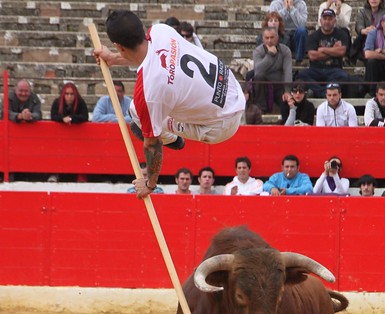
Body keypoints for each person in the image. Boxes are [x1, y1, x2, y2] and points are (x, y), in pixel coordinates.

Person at [93, 10, 245, 200]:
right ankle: (172, 135)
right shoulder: (160, 31)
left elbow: (151, 144)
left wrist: (150, 184)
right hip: (232, 88)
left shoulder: (149, 92)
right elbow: (148, 55)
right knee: (147, 109)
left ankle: (171, 137)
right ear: (141, 28)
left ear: (119, 46)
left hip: (220, 125)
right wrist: (114, 58)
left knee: (138, 114)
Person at [297, 9, 350, 98]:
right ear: (320, 21)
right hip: (315, 69)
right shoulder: (313, 36)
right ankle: (324, 93)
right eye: (325, 19)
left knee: (344, 77)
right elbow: (312, 56)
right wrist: (333, 50)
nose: (327, 21)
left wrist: (322, 49)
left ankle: (319, 92)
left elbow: (342, 51)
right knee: (301, 75)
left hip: (334, 69)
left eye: (330, 19)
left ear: (334, 21)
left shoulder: (341, 34)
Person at [252, 27, 292, 116]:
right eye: (267, 38)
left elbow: (287, 71)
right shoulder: (258, 51)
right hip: (263, 85)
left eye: (272, 37)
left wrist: (287, 91)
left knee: (286, 105)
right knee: (259, 77)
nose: (269, 41)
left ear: (277, 38)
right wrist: (269, 55)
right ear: (263, 39)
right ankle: (261, 108)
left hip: (279, 85)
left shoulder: (285, 51)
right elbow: (258, 70)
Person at [351, 0, 385, 65]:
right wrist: (364, 30)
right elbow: (358, 25)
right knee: (361, 37)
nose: (373, 0)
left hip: (382, 36)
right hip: (366, 37)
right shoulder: (363, 11)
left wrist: (376, 30)